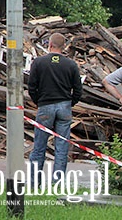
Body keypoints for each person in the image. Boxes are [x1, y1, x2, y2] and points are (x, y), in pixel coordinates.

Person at [27, 32, 82, 186]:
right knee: (62, 148)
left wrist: (39, 102)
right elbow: (78, 90)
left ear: (50, 45)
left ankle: (33, 183)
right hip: (64, 107)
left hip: (45, 107)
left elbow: (31, 87)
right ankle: (57, 185)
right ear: (63, 47)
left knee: (39, 147)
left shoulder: (38, 62)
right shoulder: (71, 65)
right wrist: (69, 103)